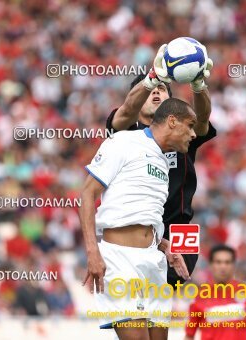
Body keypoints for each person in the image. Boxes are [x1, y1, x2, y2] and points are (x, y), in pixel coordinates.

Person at [80, 98, 196, 340]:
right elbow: (87, 194)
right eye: (190, 125)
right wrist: (92, 251)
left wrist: (164, 246)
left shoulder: (164, 161)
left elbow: (143, 216)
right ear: (172, 121)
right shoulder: (123, 141)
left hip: (153, 262)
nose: (194, 134)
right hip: (121, 259)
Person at [105, 44, 216, 286]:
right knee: (135, 301)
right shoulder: (125, 131)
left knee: (162, 297)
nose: (156, 93)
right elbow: (124, 113)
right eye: (150, 90)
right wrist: (153, 77)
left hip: (178, 228)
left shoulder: (182, 131)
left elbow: (203, 120)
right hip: (135, 227)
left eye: (162, 90)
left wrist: (198, 86)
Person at [184, 245, 246, 340]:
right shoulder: (199, 297)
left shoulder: (245, 292)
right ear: (211, 265)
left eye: (227, 262)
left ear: (233, 265)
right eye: (218, 262)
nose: (223, 266)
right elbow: (189, 335)